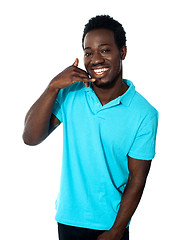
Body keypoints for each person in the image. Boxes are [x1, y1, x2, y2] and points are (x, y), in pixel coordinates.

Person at [23, 15, 158, 240]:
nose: (95, 59)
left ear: (122, 52)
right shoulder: (70, 94)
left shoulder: (144, 113)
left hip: (111, 225)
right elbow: (30, 137)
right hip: (69, 220)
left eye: (105, 50)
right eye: (88, 52)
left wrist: (116, 231)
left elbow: (137, 179)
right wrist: (52, 87)